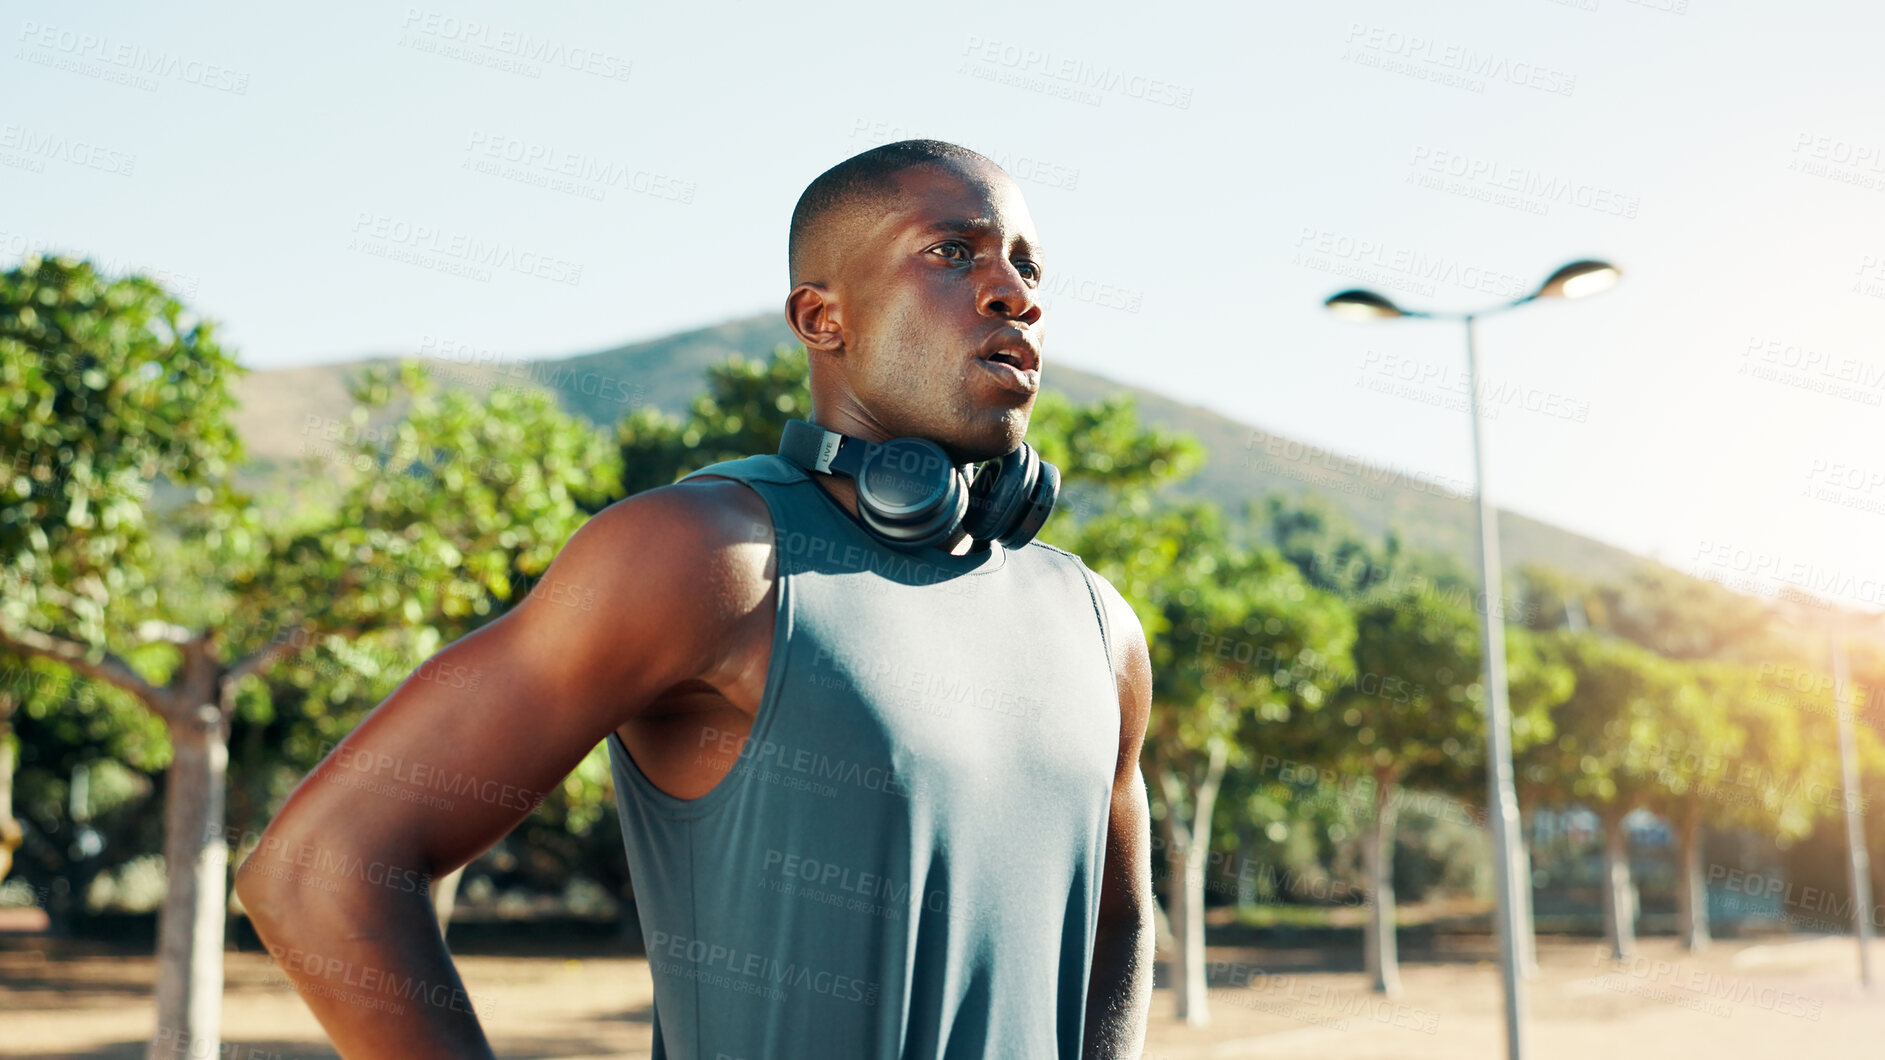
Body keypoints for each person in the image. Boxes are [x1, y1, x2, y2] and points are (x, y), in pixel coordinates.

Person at [237, 138, 1155, 1059]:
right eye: (952, 252)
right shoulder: (705, 555)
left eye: (1027, 264)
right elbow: (323, 869)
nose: (1016, 293)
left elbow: (1116, 929)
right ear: (820, 317)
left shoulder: (1097, 626)